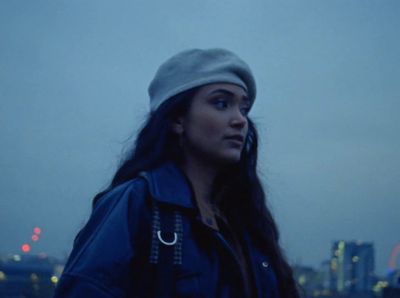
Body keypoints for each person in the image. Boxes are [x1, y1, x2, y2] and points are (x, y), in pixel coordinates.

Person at [54, 48, 300, 298]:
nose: (240, 120)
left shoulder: (244, 217)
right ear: (177, 119)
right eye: (222, 103)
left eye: (243, 109)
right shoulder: (136, 204)